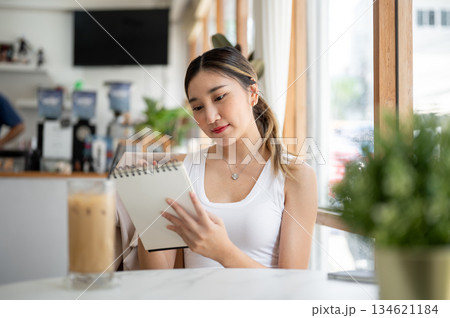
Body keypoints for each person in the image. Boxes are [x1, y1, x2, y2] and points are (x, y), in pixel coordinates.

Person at [138, 47, 317, 269]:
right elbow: (157, 278)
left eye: (220, 97)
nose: (210, 117)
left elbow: (293, 287)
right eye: (198, 107)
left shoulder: (295, 175)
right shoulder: (181, 170)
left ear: (252, 93)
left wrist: (223, 252)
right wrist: (144, 205)